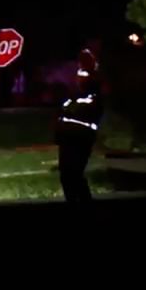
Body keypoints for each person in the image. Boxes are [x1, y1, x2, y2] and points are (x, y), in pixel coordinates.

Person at [55, 49, 102, 202]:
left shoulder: (94, 92)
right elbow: (63, 110)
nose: (80, 78)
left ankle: (84, 203)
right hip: (67, 137)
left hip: (81, 137)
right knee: (66, 174)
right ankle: (73, 201)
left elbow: (86, 109)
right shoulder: (73, 95)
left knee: (74, 173)